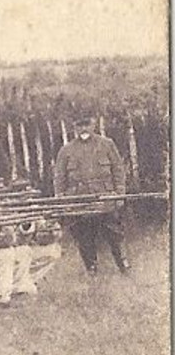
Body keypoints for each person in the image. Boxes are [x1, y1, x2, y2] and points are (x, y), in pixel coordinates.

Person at [52, 113, 130, 274]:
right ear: (74, 127)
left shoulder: (107, 144)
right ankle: (91, 268)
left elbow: (118, 170)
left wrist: (119, 194)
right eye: (79, 125)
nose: (83, 129)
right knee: (84, 236)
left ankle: (123, 264)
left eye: (86, 124)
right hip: (80, 201)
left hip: (106, 198)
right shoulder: (66, 150)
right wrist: (62, 201)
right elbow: (59, 178)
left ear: (93, 125)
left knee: (115, 233)